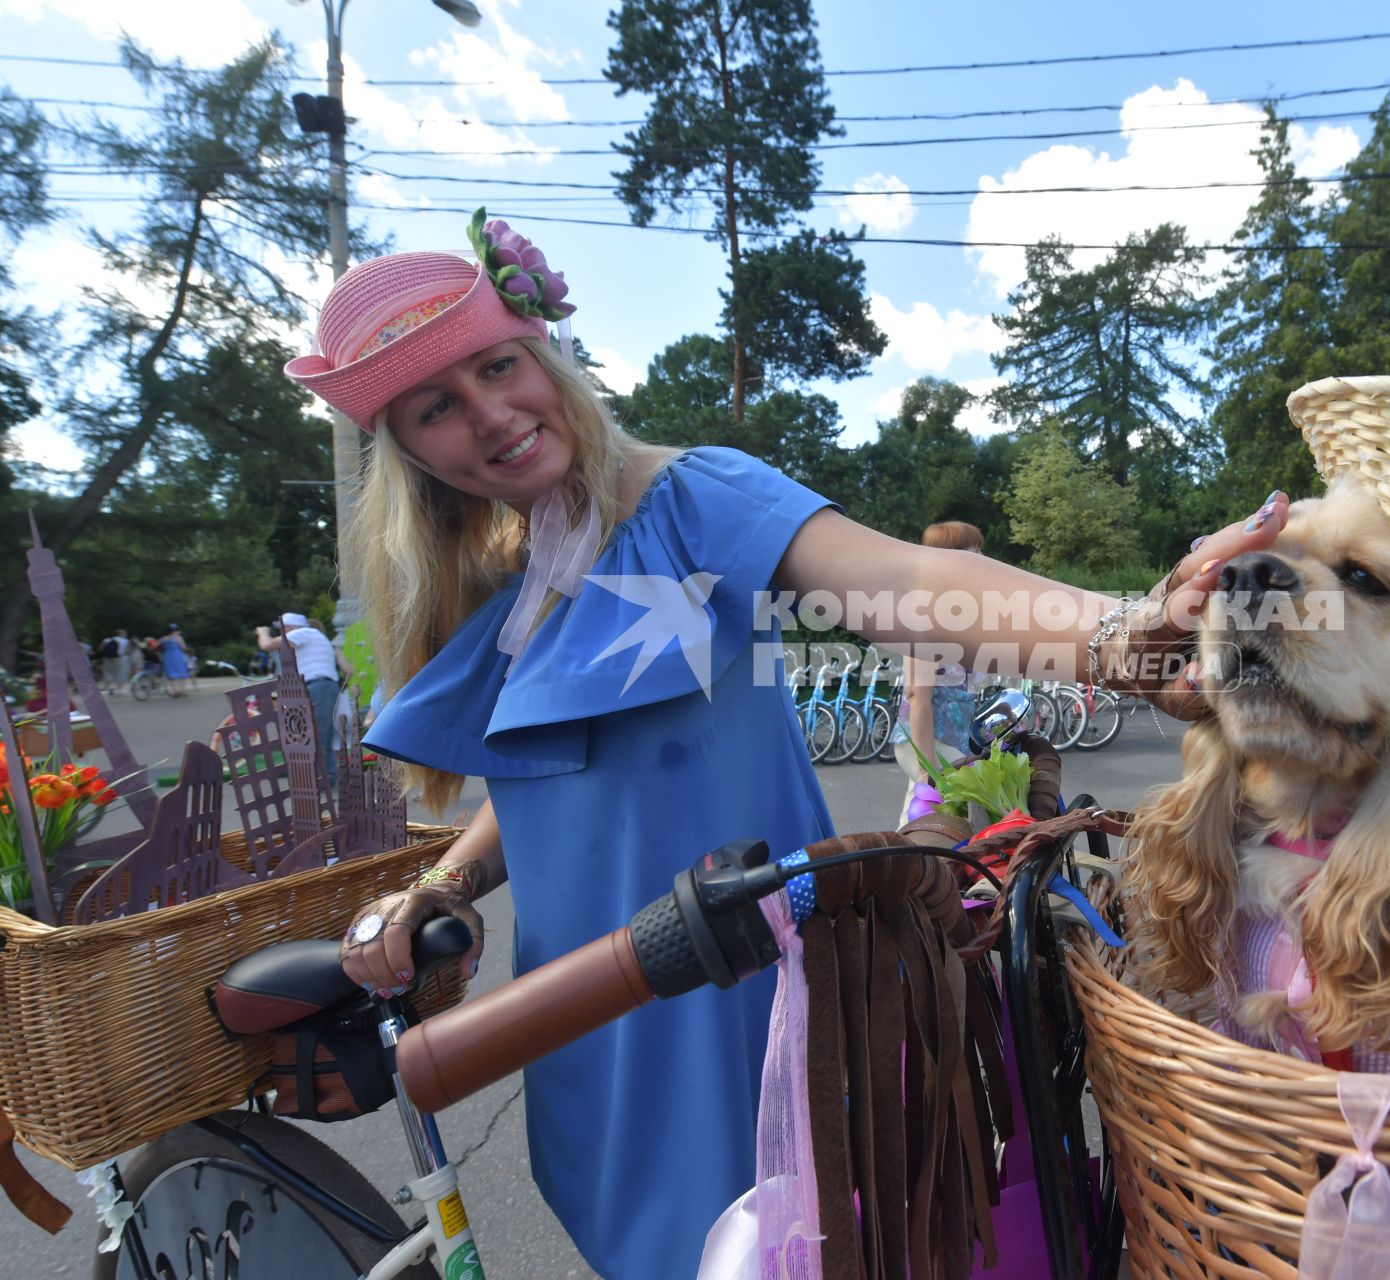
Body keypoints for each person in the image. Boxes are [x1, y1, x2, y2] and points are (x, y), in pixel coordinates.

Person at [280, 209, 1279, 1280]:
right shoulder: (516, 583)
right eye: (439, 404)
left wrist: (1118, 634)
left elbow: (908, 585)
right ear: (409, 449)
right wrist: (446, 879)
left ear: (545, 353)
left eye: (498, 365)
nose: (490, 413)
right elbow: (550, 778)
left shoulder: (692, 501)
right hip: (585, 1045)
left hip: (746, 1022)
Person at [893, 519, 986, 823]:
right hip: (929, 742)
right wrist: (925, 767)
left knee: (921, 821)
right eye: (974, 552)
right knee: (958, 816)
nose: (984, 561)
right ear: (950, 558)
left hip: (946, 740)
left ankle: (900, 867)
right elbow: (917, 695)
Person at [257, 612, 356, 787]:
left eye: (282, 628)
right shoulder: (318, 638)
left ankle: (322, 781)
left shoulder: (302, 633)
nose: (280, 632)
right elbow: (348, 670)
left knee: (315, 734)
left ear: (289, 627)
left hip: (316, 686)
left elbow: (267, 645)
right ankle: (324, 778)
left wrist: (262, 632)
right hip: (323, 686)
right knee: (319, 733)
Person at [157, 625, 193, 697]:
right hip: (177, 656)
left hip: (167, 657)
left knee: (172, 675)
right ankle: (182, 690)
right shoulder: (178, 638)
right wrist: (189, 650)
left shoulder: (163, 639)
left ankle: (175, 691)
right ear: (174, 631)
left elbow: (155, 646)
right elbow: (183, 648)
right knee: (182, 674)